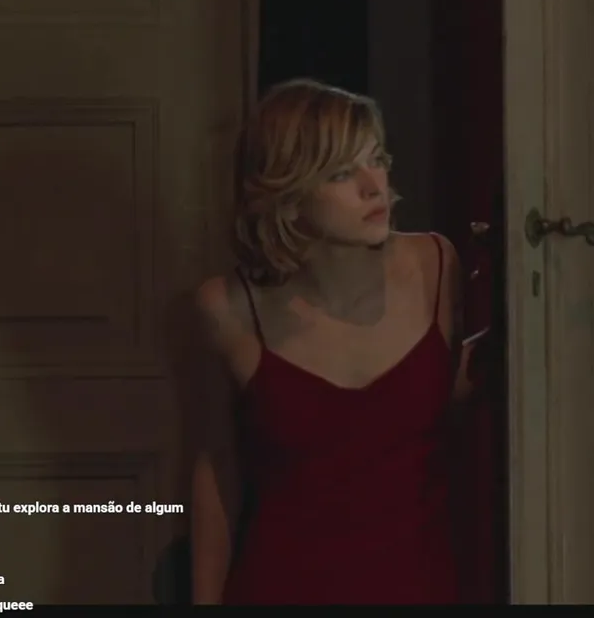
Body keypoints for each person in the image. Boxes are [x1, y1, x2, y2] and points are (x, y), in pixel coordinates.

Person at [188, 78, 476, 604]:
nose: (374, 186)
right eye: (343, 172)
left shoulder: (436, 264)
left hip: (421, 587)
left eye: (377, 159)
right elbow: (218, 468)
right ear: (288, 194)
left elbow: (453, 405)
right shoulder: (226, 308)